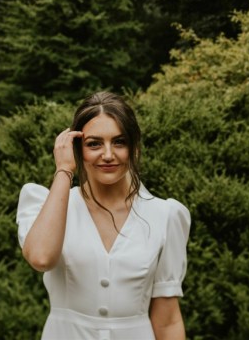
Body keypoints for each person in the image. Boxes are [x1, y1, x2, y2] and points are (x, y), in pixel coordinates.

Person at [16, 91, 191, 340]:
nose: (108, 155)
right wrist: (64, 170)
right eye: (94, 144)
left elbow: (168, 319)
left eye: (119, 142)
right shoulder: (46, 205)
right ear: (78, 148)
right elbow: (41, 258)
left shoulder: (166, 215)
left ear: (134, 148)